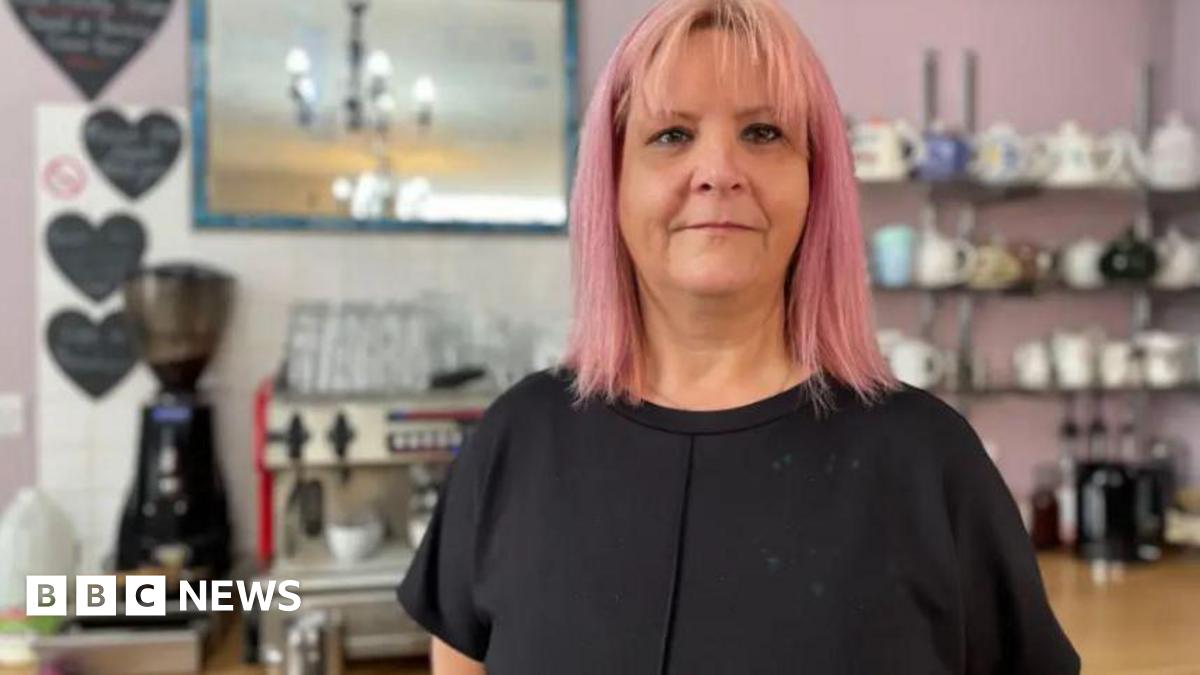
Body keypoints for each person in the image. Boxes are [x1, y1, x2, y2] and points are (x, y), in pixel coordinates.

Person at [397, 0, 1081, 672]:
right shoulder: (516, 442)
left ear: (817, 182)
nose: (719, 170)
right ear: (612, 181)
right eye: (671, 135)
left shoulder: (931, 463)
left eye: (763, 133)